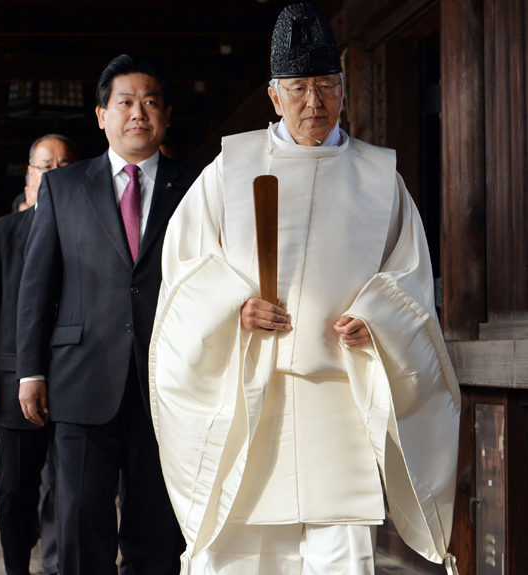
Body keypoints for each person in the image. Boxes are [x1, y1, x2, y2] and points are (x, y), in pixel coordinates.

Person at [149, 4, 461, 574]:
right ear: (274, 95)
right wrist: (234, 309)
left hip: (339, 399)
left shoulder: (378, 177)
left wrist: (378, 320)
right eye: (298, 89)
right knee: (245, 553)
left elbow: (408, 279)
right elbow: (186, 272)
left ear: (343, 87)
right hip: (252, 396)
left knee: (340, 552)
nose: (312, 104)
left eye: (325, 87)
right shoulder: (231, 168)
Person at [16, 55, 201, 575]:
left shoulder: (196, 187)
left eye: (150, 102)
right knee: (80, 520)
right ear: (102, 114)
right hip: (80, 378)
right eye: (124, 102)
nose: (137, 113)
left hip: (169, 381)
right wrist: (30, 370)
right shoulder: (64, 186)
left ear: (166, 115)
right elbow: (37, 285)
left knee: (157, 526)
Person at [0, 134, 76, 575]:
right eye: (44, 166)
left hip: (75, 376)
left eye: (62, 166)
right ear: (30, 175)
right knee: (13, 489)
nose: (53, 173)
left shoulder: (86, 226)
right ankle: (17, 564)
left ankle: (56, 563)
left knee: (69, 488)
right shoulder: (2, 232)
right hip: (14, 380)